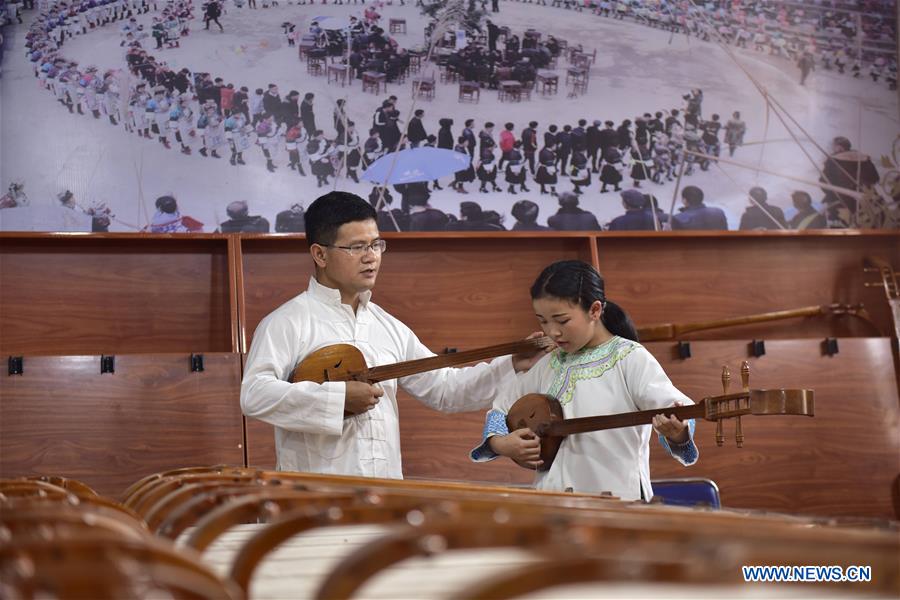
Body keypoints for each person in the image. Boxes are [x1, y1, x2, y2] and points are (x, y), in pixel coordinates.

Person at [240, 192, 543, 477]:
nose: (371, 257)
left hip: (384, 493)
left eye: (376, 245)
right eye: (356, 247)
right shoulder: (286, 322)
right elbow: (254, 395)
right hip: (315, 497)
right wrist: (338, 398)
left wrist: (512, 363)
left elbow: (445, 389)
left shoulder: (388, 326)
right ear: (320, 254)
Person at [469, 260, 698, 500]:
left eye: (562, 320)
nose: (552, 332)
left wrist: (677, 432)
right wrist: (501, 444)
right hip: (553, 501)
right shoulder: (549, 364)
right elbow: (502, 407)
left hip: (615, 502)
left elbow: (676, 408)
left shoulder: (629, 358)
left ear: (595, 310)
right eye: (543, 321)